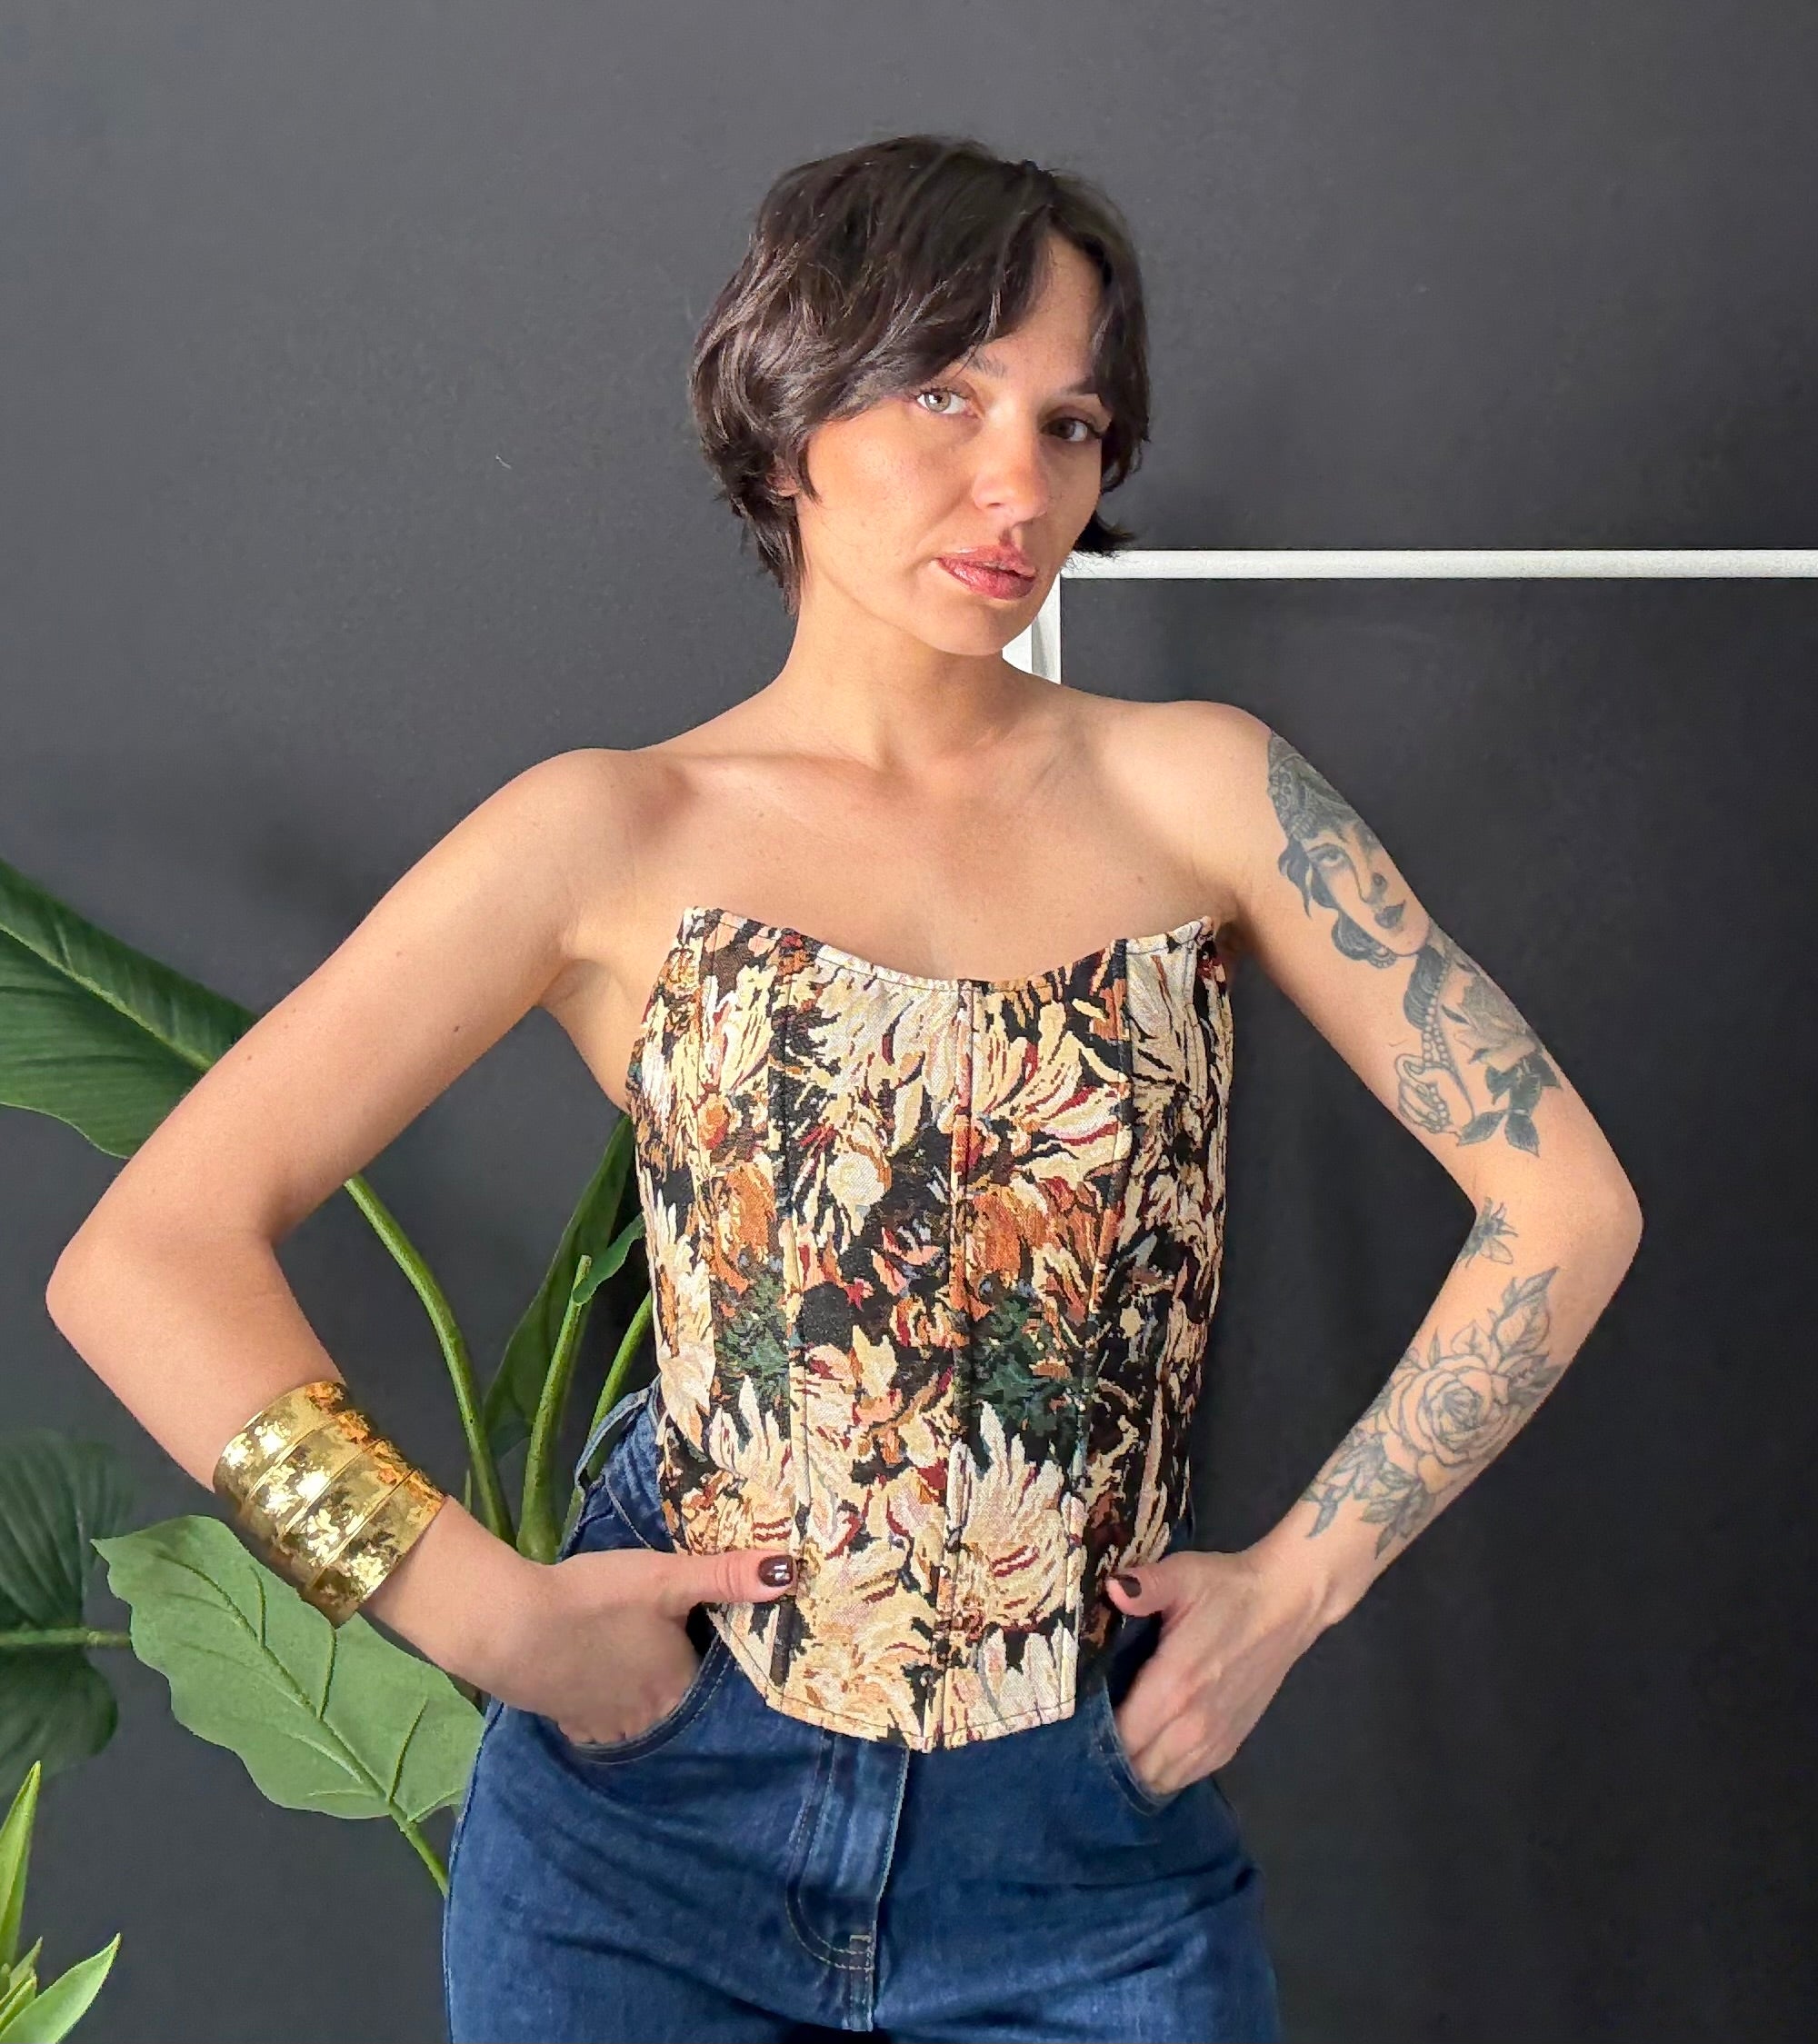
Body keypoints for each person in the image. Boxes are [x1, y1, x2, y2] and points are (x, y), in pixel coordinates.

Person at [45, 134, 1643, 2044]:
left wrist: (1300, 1586)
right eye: (945, 393)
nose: (1017, 483)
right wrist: (479, 1614)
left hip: (1080, 1843)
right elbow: (147, 1256)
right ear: (788, 403)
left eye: (1070, 423)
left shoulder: (1205, 791)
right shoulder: (609, 831)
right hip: (645, 1840)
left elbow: (1565, 1202)